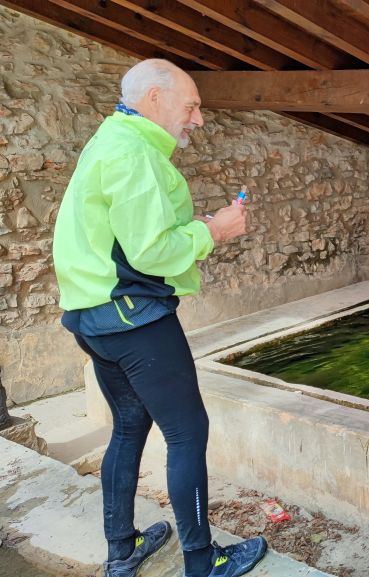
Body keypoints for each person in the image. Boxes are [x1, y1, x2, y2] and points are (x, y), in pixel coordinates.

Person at [52, 59, 267, 577]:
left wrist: (190, 227)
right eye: (191, 106)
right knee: (188, 432)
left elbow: (125, 232)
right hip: (134, 319)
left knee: (129, 427)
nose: (198, 119)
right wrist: (213, 231)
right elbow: (149, 252)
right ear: (154, 99)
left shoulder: (113, 139)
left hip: (93, 317)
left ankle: (121, 550)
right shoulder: (135, 155)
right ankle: (202, 560)